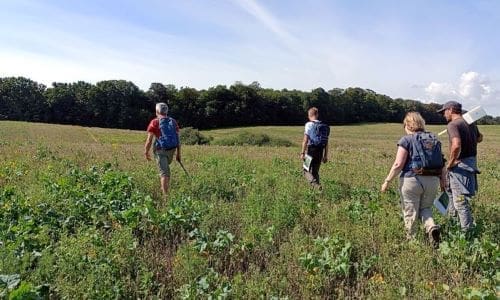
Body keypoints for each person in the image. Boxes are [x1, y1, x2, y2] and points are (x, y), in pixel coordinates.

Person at [381, 112, 441, 247]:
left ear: (408, 125)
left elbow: (398, 164)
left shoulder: (406, 140)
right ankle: (431, 227)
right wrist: (443, 182)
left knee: (410, 211)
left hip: (411, 180)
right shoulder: (434, 139)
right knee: (425, 208)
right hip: (432, 180)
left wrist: (387, 181)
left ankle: (412, 242)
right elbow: (442, 162)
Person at [437, 101, 483, 233]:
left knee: (460, 201)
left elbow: (456, 144)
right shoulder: (470, 123)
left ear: (450, 110)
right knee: (450, 193)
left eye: (444, 111)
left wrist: (451, 162)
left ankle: (467, 232)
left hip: (460, 166)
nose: (443, 115)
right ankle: (452, 223)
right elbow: (480, 138)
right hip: (470, 163)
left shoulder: (452, 125)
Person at [144, 102, 181, 198]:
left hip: (160, 150)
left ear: (157, 111)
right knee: (165, 170)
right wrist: (178, 154)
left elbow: (149, 140)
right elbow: (178, 139)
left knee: (164, 173)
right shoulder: (173, 121)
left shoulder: (155, 122)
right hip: (172, 150)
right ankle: (164, 188)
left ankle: (165, 196)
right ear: (166, 111)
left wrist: (146, 152)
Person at [300, 107, 329, 189]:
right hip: (320, 151)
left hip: (311, 150)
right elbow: (326, 142)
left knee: (305, 170)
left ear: (309, 116)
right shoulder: (324, 126)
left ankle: (315, 185)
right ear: (317, 115)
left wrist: (302, 153)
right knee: (315, 172)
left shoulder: (308, 124)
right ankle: (318, 191)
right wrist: (325, 155)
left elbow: (305, 140)